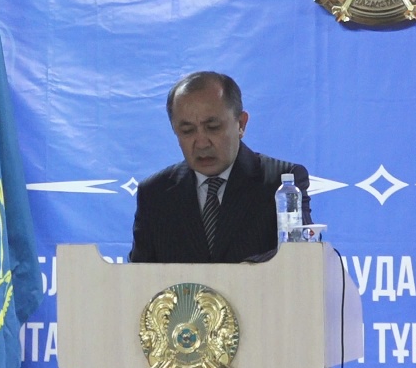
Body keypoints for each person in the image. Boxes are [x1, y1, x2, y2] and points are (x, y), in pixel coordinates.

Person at [130, 71, 312, 264]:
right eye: (187, 131)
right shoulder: (155, 193)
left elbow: (300, 254)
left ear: (241, 124)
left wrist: (239, 274)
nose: (201, 143)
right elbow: (139, 274)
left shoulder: (281, 182)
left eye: (213, 127)